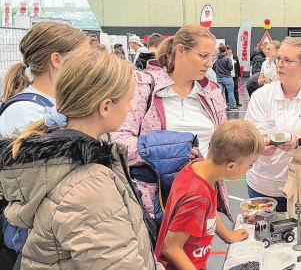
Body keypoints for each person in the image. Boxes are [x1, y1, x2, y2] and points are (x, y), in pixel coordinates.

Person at [0, 49, 161, 269]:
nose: (131, 108)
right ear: (105, 107)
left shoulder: (66, 158)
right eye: (128, 101)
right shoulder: (88, 186)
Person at [111, 25, 234, 229]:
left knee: (196, 258)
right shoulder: (143, 87)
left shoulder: (212, 91)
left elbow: (222, 140)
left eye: (211, 57)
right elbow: (118, 142)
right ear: (181, 51)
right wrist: (173, 151)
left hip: (199, 198)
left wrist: (248, 145)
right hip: (153, 203)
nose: (209, 64)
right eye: (204, 56)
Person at [155, 119, 263, 270]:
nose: (250, 168)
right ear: (231, 166)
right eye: (250, 164)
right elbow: (171, 248)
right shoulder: (197, 196)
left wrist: (227, 235)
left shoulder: (200, 167)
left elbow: (209, 211)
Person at [245, 38, 301, 212]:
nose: (279, 65)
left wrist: (297, 140)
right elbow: (252, 132)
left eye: (287, 61)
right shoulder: (262, 96)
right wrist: (261, 144)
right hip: (266, 186)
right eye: (278, 59)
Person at [1, 22, 88, 137]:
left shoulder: (54, 102)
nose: (91, 65)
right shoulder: (25, 113)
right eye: (85, 58)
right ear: (57, 60)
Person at [213, 44, 237, 110]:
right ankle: (231, 105)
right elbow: (231, 67)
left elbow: (213, 67)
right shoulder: (227, 58)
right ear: (225, 50)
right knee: (230, 92)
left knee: (220, 93)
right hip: (227, 77)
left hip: (218, 77)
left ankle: (221, 105)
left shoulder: (216, 58)